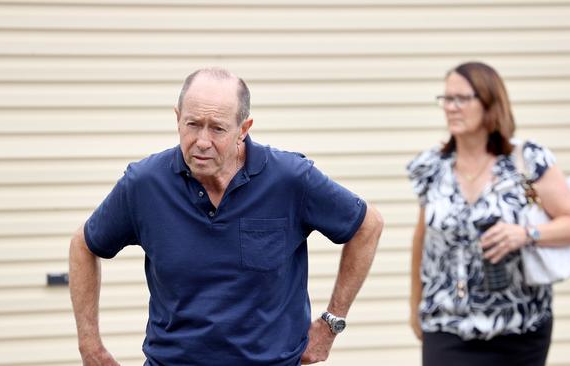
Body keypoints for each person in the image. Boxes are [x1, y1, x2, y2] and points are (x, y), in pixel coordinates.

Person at [69, 67, 383, 366]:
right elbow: (83, 246)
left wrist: (331, 322)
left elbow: (367, 226)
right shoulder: (145, 184)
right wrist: (90, 346)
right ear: (178, 119)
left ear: (243, 130)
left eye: (217, 128)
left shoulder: (290, 180)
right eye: (192, 124)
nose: (202, 141)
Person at [406, 61, 570, 366]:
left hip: (519, 327)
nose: (451, 107)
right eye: (446, 99)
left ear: (489, 102)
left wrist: (525, 234)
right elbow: (422, 240)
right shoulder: (432, 166)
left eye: (462, 99)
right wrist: (415, 306)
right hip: (448, 324)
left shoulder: (526, 159)